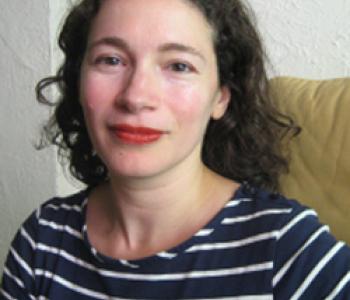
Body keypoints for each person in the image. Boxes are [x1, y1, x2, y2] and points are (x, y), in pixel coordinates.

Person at [1, 0, 350, 299]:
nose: (136, 96)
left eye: (179, 66)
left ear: (220, 97)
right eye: (110, 60)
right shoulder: (41, 241)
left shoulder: (288, 249)